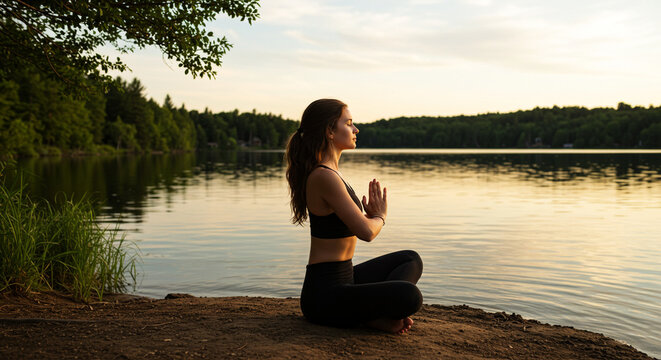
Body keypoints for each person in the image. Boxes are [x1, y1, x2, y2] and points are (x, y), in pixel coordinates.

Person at [285, 98, 423, 334]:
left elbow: (361, 225)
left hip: (346, 278)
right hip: (324, 295)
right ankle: (372, 317)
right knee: (409, 296)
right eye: (348, 123)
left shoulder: (331, 173)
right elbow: (367, 232)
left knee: (410, 259)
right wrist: (379, 216)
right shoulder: (323, 176)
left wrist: (371, 217)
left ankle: (373, 316)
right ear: (330, 131)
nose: (355, 129)